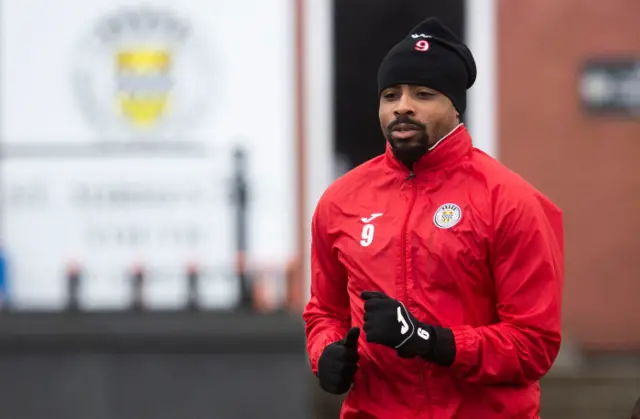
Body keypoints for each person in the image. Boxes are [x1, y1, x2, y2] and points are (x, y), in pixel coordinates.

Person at [302, 17, 564, 418]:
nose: (402, 106)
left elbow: (534, 344)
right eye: (391, 95)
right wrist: (327, 355)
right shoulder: (340, 201)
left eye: (422, 94)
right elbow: (325, 311)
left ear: (455, 107)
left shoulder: (511, 201)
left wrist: (429, 340)